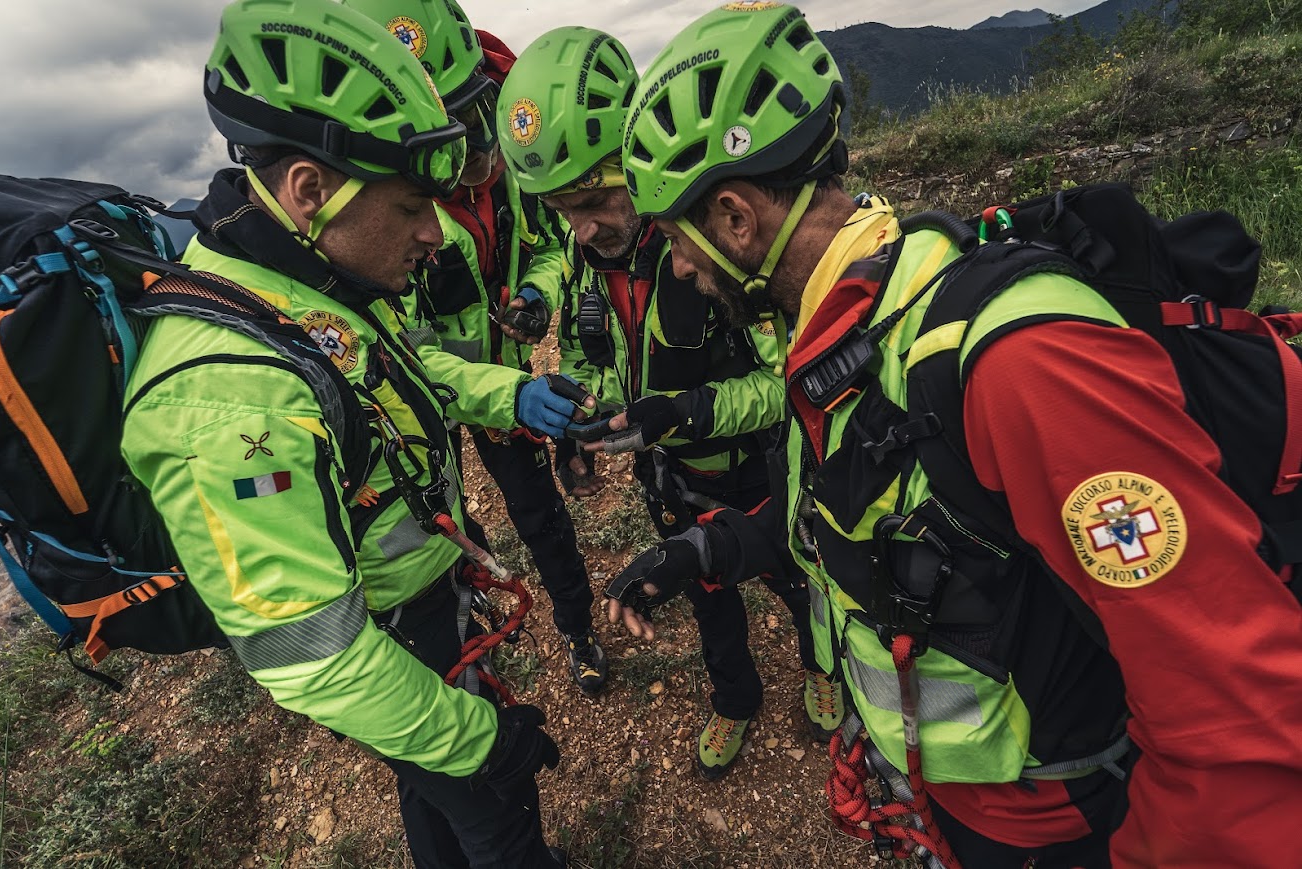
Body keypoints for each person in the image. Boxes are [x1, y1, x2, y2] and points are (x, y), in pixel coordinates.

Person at [605, 3, 1302, 867]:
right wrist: (709, 553)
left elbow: (1238, 714)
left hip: (1065, 833)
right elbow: (863, 523)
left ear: (736, 218)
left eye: (676, 239)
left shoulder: (1015, 364)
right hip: (958, 808)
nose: (677, 267)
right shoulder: (848, 332)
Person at [121, 1, 584, 864]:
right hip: (395, 645)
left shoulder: (290, 285)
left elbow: (385, 377)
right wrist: (484, 740)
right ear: (309, 189)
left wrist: (510, 394)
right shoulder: (231, 401)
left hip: (420, 607)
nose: (432, 231)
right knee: (497, 818)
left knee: (431, 799)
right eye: (411, 205)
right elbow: (317, 659)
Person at [497, 25, 844, 781]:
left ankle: (826, 665)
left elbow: (782, 382)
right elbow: (594, 355)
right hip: (674, 480)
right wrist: (585, 424)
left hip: (755, 474)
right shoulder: (591, 261)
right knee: (708, 595)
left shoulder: (715, 253)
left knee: (801, 578)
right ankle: (734, 697)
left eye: (594, 200)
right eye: (562, 211)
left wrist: (685, 409)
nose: (582, 227)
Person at [339, 0, 607, 697]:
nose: (474, 154)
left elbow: (551, 248)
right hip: (434, 404)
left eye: (475, 117)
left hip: (502, 390)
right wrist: (508, 390)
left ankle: (577, 625)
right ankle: (468, 616)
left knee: (540, 513)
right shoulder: (377, 224)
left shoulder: (513, 173)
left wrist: (536, 293)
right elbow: (400, 352)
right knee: (436, 513)